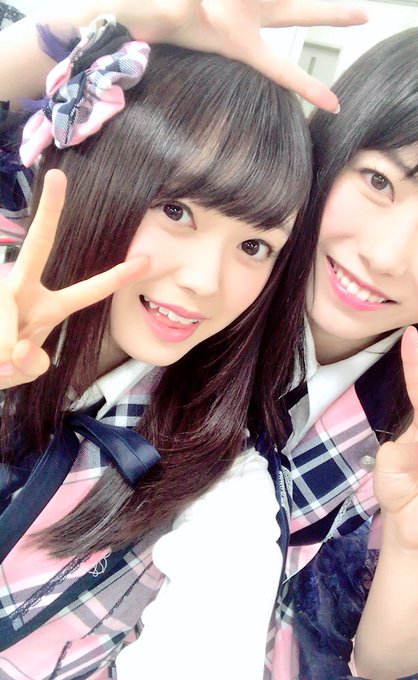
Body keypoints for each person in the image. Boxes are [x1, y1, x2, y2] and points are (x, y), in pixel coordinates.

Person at [0, 9, 316, 679]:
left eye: (254, 246)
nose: (205, 281)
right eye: (177, 211)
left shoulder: (221, 486)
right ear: (104, 177)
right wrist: (92, 17)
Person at [264, 18, 418, 680]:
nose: (385, 255)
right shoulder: (209, 287)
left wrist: (409, 540)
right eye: (378, 181)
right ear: (330, 146)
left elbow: (387, 668)